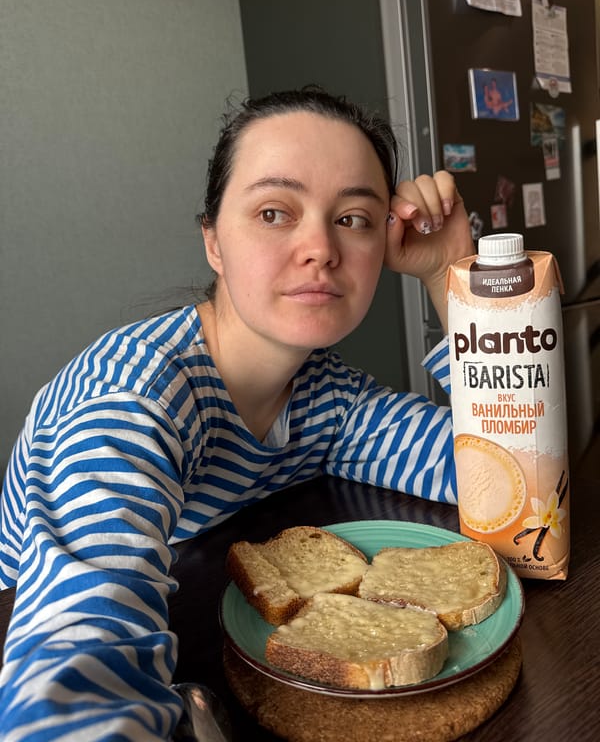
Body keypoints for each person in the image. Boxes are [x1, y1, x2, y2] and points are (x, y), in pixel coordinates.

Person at [0, 86, 474, 740]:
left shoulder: (326, 399)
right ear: (214, 242)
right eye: (276, 212)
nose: (321, 248)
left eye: (354, 218)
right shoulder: (130, 396)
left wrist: (452, 274)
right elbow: (76, 668)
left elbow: (498, 481)